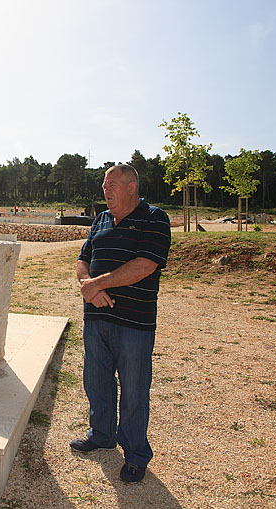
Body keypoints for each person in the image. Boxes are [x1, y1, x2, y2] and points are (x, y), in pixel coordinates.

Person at [70, 164, 171, 483]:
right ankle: (101, 434)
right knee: (96, 381)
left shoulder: (154, 218)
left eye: (112, 184)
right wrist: (89, 286)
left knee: (134, 390)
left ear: (131, 187)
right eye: (104, 184)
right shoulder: (99, 219)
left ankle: (136, 454)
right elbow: (82, 260)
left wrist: (97, 284)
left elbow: (144, 265)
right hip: (96, 319)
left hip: (134, 323)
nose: (106, 189)